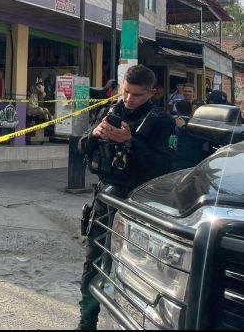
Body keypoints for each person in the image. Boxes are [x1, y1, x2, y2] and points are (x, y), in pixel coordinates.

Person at [76, 65, 175, 330]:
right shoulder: (110, 111)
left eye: (137, 95)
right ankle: (87, 321)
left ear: (152, 93)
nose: (129, 99)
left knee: (139, 270)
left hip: (140, 203)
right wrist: (94, 135)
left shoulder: (161, 122)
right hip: (106, 198)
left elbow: (166, 167)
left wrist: (131, 142)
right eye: (126, 92)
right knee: (94, 262)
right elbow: (82, 147)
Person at [171, 100, 211, 171]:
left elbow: (172, 144)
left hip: (181, 162)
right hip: (194, 162)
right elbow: (205, 147)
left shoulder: (175, 123)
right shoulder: (198, 125)